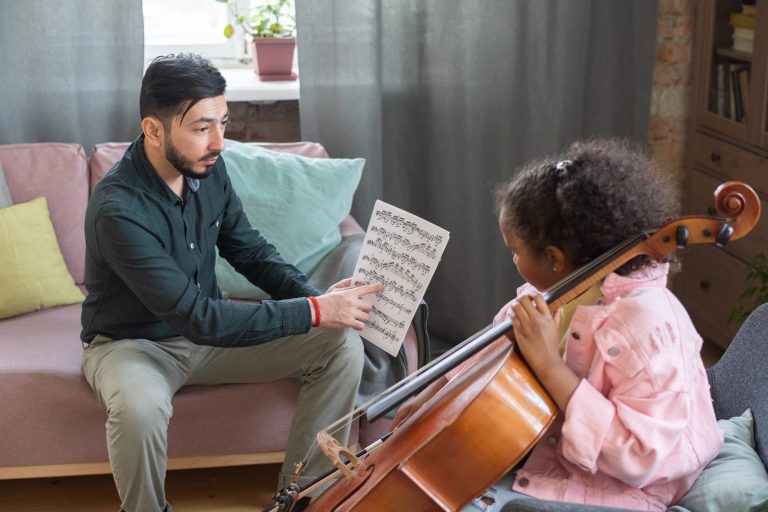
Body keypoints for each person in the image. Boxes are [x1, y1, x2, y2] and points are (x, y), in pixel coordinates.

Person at [80, 53, 383, 512]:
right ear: (154, 130)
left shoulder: (208, 167)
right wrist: (317, 312)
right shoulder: (117, 210)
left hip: (203, 340)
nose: (220, 141)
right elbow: (198, 318)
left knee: (339, 346)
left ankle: (302, 498)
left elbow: (250, 251)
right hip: (131, 345)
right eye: (203, 127)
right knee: (139, 409)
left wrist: (316, 300)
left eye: (223, 122)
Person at [392, 139, 723, 511]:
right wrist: (435, 392)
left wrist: (549, 364)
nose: (514, 260)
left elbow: (640, 458)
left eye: (515, 251)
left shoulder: (647, 327)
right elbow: (491, 349)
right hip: (550, 456)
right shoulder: (556, 290)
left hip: (622, 490)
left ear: (554, 258)